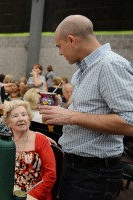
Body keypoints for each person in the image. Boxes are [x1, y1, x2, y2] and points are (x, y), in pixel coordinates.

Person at [39, 15, 133, 200]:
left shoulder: (110, 65)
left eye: (59, 46)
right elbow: (90, 110)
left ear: (72, 40)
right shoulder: (83, 71)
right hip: (77, 167)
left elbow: (130, 122)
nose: (59, 52)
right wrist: (61, 109)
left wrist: (70, 117)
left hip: (94, 173)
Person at [0, 100, 56, 200]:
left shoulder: (41, 140)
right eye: (15, 116)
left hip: (34, 195)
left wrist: (27, 197)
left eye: (24, 114)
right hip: (8, 192)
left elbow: (50, 176)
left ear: (29, 118)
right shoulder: (7, 141)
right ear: (8, 122)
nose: (21, 119)